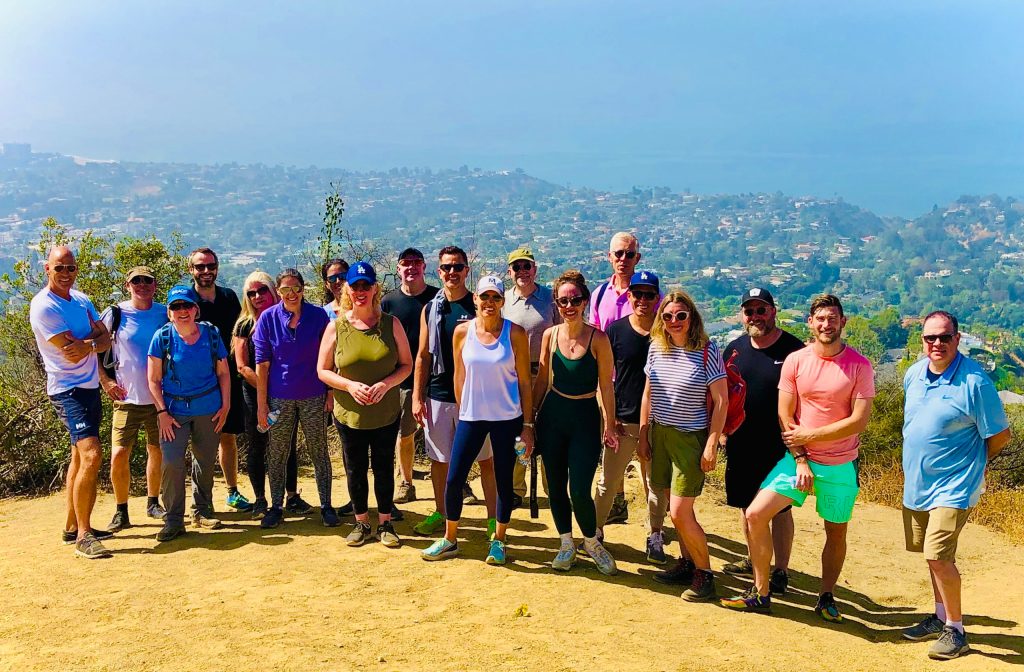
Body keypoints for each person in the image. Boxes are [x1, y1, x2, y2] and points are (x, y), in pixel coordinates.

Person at [739, 294, 874, 619]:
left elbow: (859, 421)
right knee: (755, 515)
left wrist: (809, 436)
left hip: (840, 463)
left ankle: (826, 595)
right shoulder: (796, 361)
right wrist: (800, 458)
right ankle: (761, 591)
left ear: (843, 322)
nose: (826, 324)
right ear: (810, 323)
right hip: (797, 460)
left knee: (836, 531)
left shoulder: (860, 365)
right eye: (820, 319)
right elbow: (785, 414)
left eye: (832, 318)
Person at [900, 311, 1011, 660]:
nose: (937, 344)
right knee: (931, 557)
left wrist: (975, 467)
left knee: (937, 554)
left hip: (955, 485)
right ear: (922, 339)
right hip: (919, 483)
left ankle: (956, 630)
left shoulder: (975, 382)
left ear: (957, 339)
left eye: (944, 337)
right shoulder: (914, 374)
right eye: (930, 337)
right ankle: (939, 615)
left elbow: (1000, 436)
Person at [421, 276, 534, 564]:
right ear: (475, 299)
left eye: (496, 298)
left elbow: (524, 383)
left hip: (507, 418)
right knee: (455, 477)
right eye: (485, 297)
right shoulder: (462, 332)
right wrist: (464, 406)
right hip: (471, 417)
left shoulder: (515, 333)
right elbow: (459, 375)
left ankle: (499, 540)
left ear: (502, 301)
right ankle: (450, 538)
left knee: (503, 481)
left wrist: (528, 424)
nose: (490, 303)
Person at [639, 290, 727, 601]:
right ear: (661, 320)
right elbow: (648, 394)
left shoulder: (707, 350)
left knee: (679, 511)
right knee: (666, 500)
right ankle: (687, 563)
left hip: (691, 438)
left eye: (681, 316)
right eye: (668, 316)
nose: (674, 321)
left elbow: (721, 400)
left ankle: (705, 574)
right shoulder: (656, 348)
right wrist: (643, 434)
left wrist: (712, 442)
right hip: (660, 434)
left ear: (692, 317)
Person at [318, 261, 412, 548]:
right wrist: (349, 385)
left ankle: (385, 523)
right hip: (349, 415)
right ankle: (361, 522)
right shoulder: (336, 327)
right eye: (355, 286)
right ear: (347, 288)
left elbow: (406, 364)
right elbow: (322, 370)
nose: (360, 291)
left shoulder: (390, 324)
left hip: (385, 412)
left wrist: (386, 384)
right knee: (355, 469)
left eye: (366, 286)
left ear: (375, 288)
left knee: (383, 467)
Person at [718, 288, 804, 599]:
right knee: (746, 506)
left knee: (779, 511)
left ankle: (780, 570)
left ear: (773, 311)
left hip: (780, 445)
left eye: (761, 310)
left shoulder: (795, 350)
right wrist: (724, 432)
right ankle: (757, 561)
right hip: (741, 442)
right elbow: (725, 393)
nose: (755, 317)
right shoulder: (734, 349)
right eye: (749, 311)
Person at [533, 270, 619, 575]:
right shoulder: (550, 336)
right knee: (555, 487)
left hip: (585, 417)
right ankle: (566, 543)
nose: (570, 305)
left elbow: (606, 386)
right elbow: (542, 379)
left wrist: (609, 424)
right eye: (563, 300)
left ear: (584, 301)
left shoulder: (599, 338)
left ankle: (591, 541)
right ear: (556, 303)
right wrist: (529, 422)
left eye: (575, 299)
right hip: (553, 416)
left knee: (580, 489)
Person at [30, 246, 114, 558]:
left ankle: (71, 525)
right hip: (67, 390)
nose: (65, 274)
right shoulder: (43, 307)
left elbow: (104, 339)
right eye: (59, 268)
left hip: (90, 385)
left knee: (79, 457)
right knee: (92, 454)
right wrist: (95, 343)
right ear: (47, 270)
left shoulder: (81, 300)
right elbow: (72, 350)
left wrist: (90, 344)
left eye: (70, 268)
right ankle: (84, 534)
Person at [412, 246, 499, 538]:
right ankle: (441, 511)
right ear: (439, 271)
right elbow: (423, 355)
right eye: (447, 267)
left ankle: (492, 519)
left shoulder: (478, 307)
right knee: (440, 459)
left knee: (486, 460)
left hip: (476, 398)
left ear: (466, 270)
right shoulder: (431, 309)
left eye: (458, 267)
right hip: (437, 395)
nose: (452, 272)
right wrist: (416, 396)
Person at [594, 270, 670, 564]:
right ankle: (596, 532)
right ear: (629, 296)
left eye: (649, 295)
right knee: (608, 481)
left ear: (657, 298)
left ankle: (655, 535)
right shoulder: (615, 331)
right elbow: (602, 379)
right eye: (637, 294)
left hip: (657, 423)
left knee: (656, 485)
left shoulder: (667, 332)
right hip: (622, 421)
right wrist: (608, 417)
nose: (642, 300)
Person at [146, 285, 232, 542]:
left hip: (209, 408)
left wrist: (226, 405)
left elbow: (224, 373)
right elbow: (153, 379)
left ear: (196, 309)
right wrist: (161, 411)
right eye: (175, 307)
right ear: (169, 312)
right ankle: (173, 519)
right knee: (171, 462)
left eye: (186, 305)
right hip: (172, 411)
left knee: (204, 462)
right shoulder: (162, 338)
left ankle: (202, 510)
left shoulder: (212, 334)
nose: (182, 311)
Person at [253, 268, 334, 529]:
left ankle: (326, 505)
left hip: (313, 394)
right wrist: (262, 404)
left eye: (296, 288)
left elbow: (329, 357)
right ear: (278, 291)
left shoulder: (319, 316)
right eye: (286, 289)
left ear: (303, 289)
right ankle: (276, 506)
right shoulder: (268, 318)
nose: (291, 294)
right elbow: (262, 364)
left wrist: (330, 392)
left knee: (319, 451)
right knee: (277, 453)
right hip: (279, 397)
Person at [232, 271, 309, 520]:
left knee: (286, 445)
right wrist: (268, 390)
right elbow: (242, 366)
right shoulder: (244, 325)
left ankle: (291, 496)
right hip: (255, 394)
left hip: (287, 393)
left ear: (273, 290)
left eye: (262, 290)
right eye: (251, 293)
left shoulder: (286, 318)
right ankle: (260, 500)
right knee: (257, 445)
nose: (257, 296)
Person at [99, 266, 168, 532]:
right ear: (127, 285)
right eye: (136, 281)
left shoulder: (165, 313)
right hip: (126, 397)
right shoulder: (115, 314)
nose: (142, 285)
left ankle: (153, 502)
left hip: (158, 398)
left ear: (155, 284)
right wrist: (106, 382)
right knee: (118, 454)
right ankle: (121, 510)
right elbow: (96, 348)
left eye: (147, 281)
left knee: (157, 450)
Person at [189, 247, 252, 512]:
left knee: (228, 436)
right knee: (198, 441)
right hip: (198, 381)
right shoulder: (186, 300)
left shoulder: (228, 297)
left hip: (229, 377)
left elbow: (241, 331)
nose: (206, 271)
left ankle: (232, 491)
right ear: (191, 269)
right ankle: (201, 500)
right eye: (200, 267)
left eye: (210, 266)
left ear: (217, 267)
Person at [589, 231, 643, 524]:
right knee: (611, 442)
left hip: (639, 385)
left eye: (629, 254)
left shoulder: (648, 293)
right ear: (609, 257)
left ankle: (655, 522)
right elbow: (594, 336)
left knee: (646, 454)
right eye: (618, 254)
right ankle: (618, 503)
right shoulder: (599, 294)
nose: (623, 259)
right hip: (606, 383)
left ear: (638, 257)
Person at [381, 247, 439, 505]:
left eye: (416, 263)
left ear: (424, 266)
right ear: (398, 268)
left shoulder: (437, 298)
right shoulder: (389, 302)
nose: (411, 267)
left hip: (438, 378)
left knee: (445, 435)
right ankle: (406, 482)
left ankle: (458, 485)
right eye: (406, 263)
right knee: (405, 435)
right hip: (402, 379)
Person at [502, 245, 557, 506]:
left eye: (527, 266)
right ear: (509, 272)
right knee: (519, 432)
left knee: (547, 432)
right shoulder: (503, 302)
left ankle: (553, 488)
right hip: (513, 377)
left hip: (546, 375)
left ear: (535, 269)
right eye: (517, 267)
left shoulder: (551, 299)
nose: (522, 271)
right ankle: (516, 489)